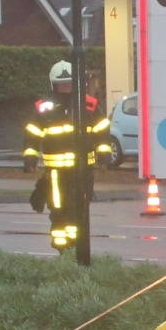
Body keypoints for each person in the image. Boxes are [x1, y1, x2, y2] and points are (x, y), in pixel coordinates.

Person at [25, 60, 114, 254]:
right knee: (58, 209)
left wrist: (104, 155)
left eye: (69, 83)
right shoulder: (44, 107)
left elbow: (101, 131)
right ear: (53, 85)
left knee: (79, 208)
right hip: (56, 173)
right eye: (62, 84)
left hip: (82, 169)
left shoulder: (89, 105)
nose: (66, 87)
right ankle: (62, 247)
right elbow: (32, 132)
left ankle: (76, 248)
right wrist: (30, 157)